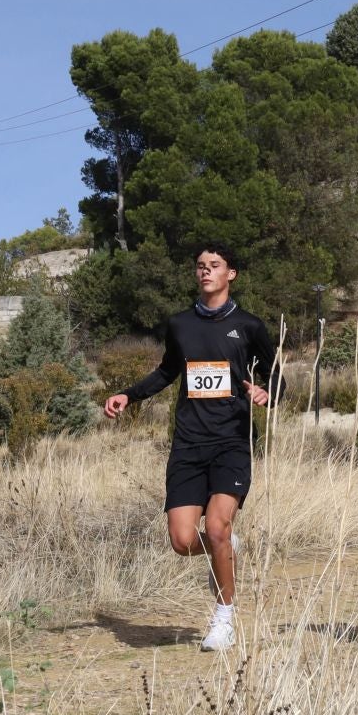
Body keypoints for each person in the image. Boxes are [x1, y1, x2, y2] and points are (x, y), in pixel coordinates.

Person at [103, 244, 279, 652]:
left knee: (216, 525)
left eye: (214, 266)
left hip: (232, 440)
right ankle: (224, 548)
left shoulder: (249, 326)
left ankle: (224, 618)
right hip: (188, 442)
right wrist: (129, 396)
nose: (206, 272)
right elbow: (168, 371)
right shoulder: (180, 324)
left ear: (231, 273)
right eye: (200, 266)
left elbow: (276, 378)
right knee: (183, 541)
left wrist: (266, 392)